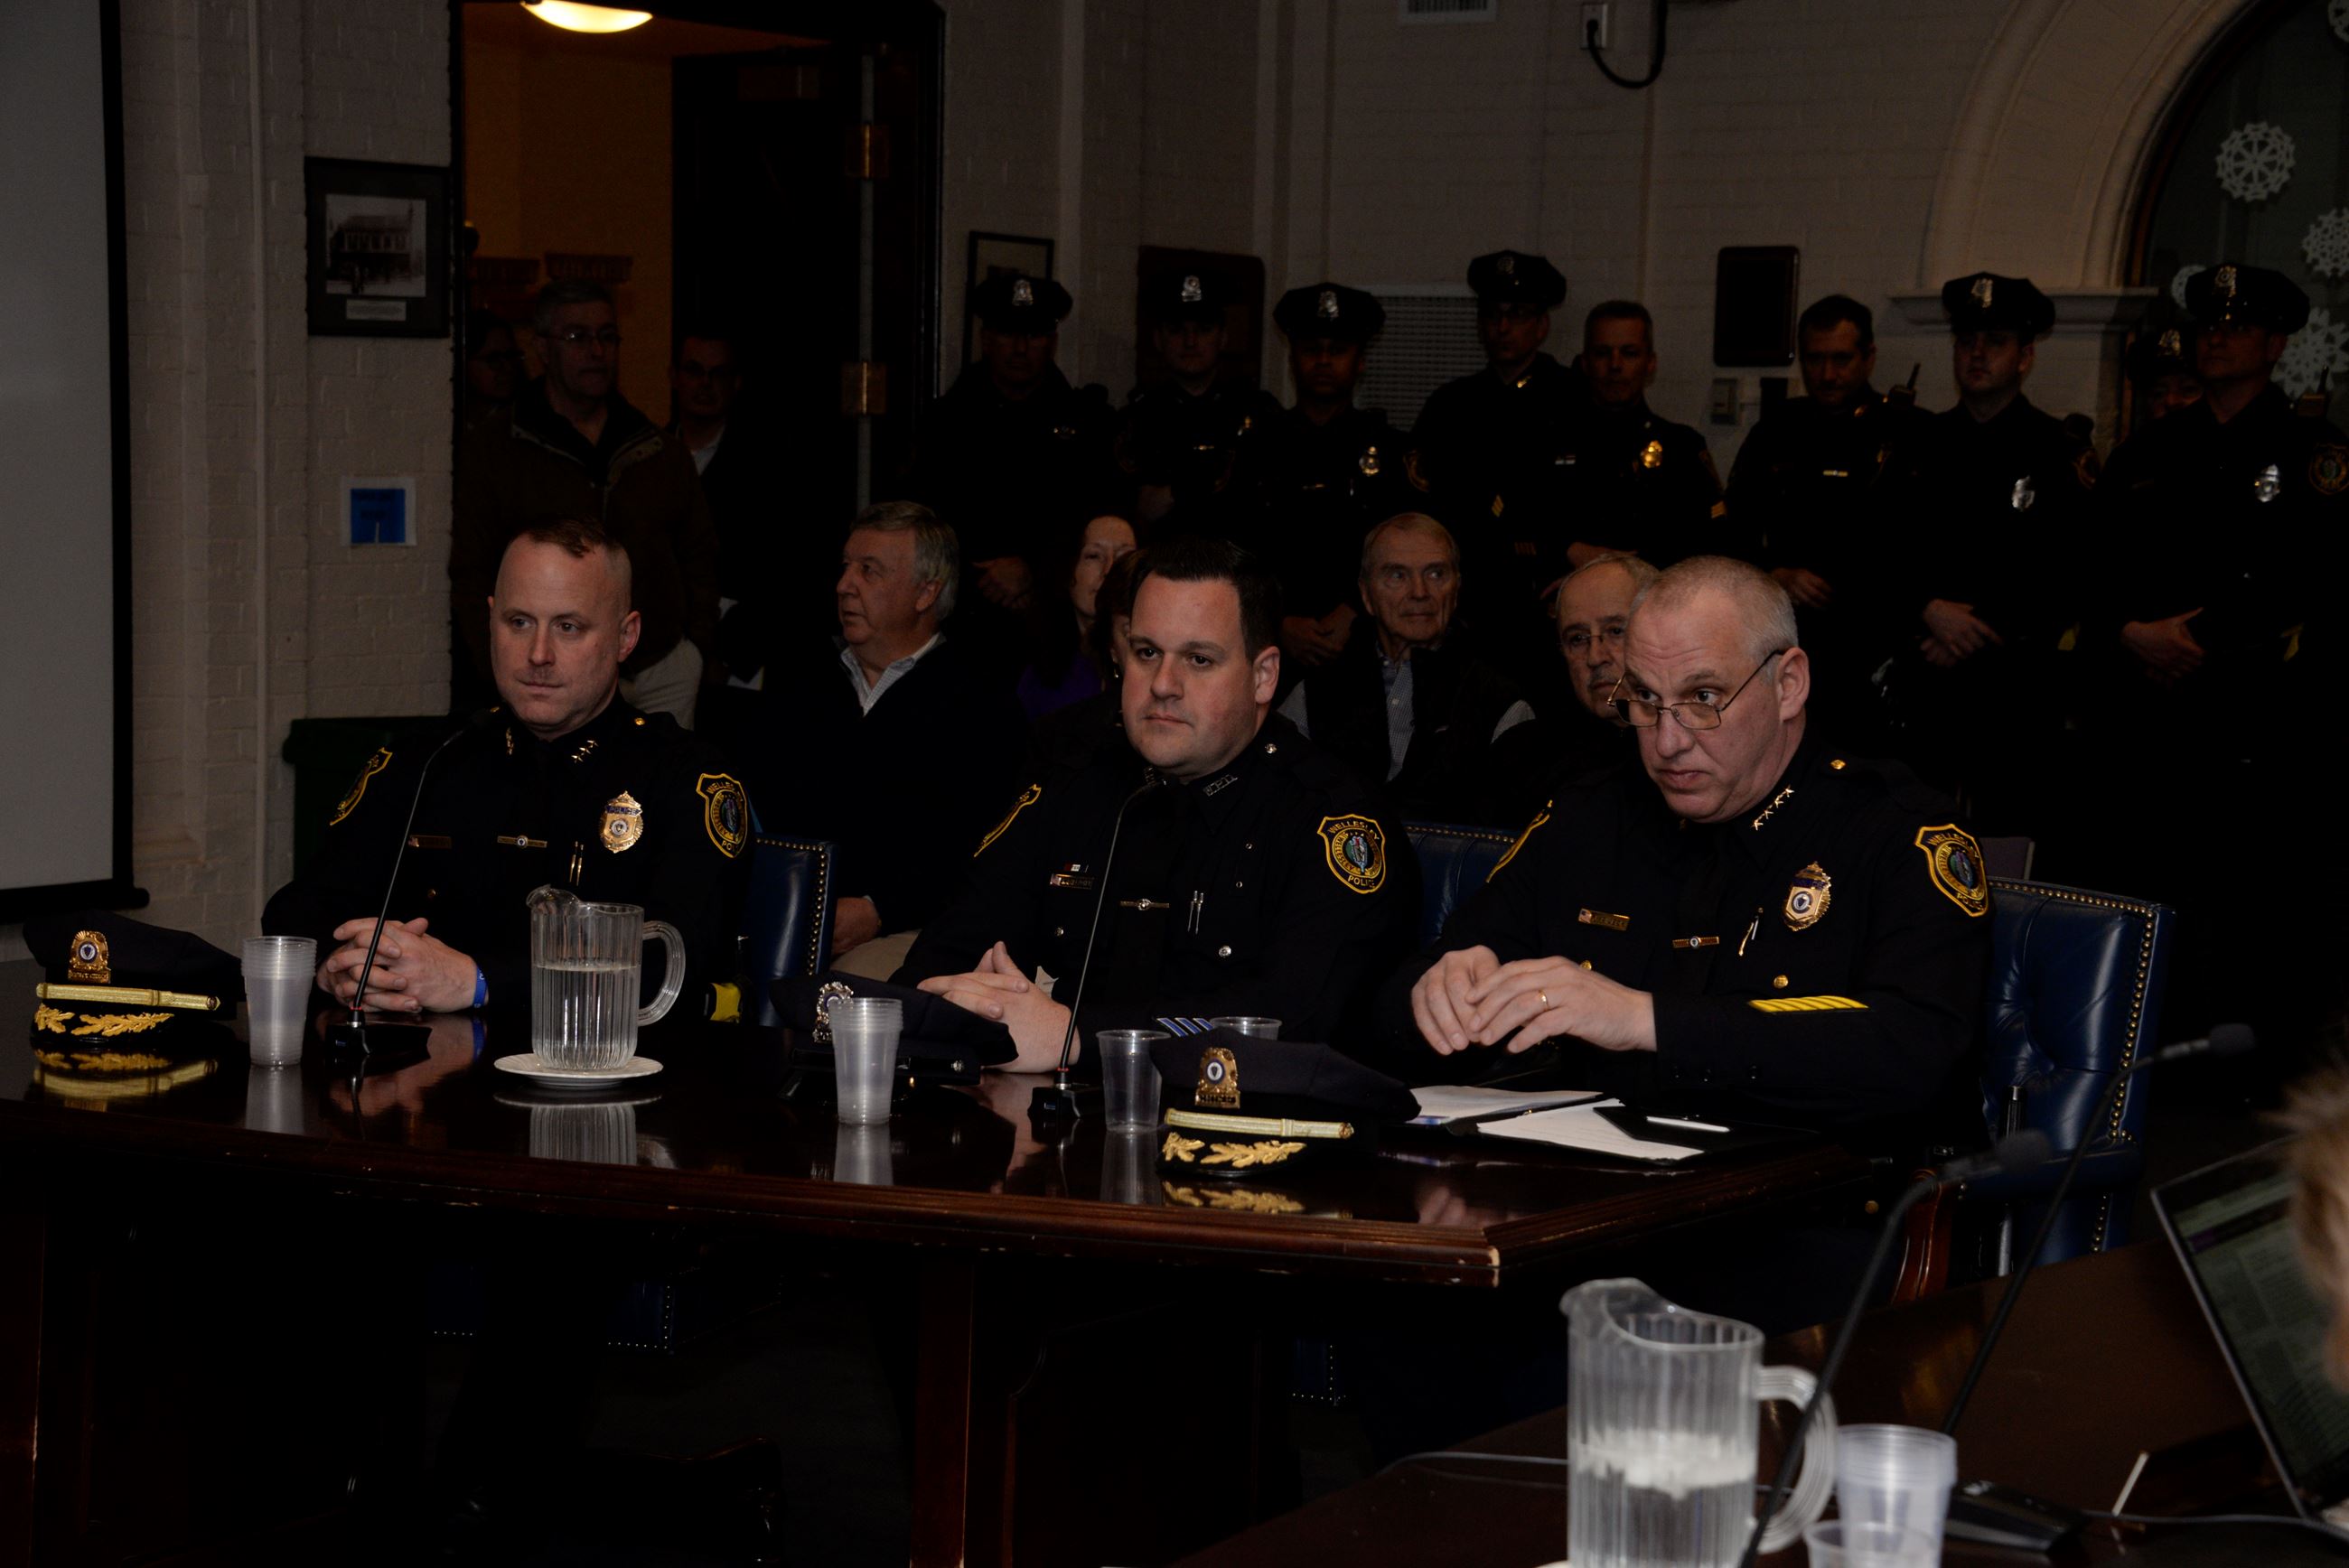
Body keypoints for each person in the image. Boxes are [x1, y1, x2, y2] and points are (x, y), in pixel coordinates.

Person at [1372, 555, 1990, 1139]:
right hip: (1595, 1179)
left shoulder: (1892, 830)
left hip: (1819, 1190)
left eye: (1703, 699)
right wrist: (1438, 997)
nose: (1667, 743)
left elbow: (1916, 1048)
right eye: (1645, 699)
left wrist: (1647, 1022)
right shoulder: (1589, 817)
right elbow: (1404, 1001)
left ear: (1789, 684)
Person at [897, 537, 1419, 1068]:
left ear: (1263, 677)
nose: (1163, 685)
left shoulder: (1330, 818)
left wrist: (1077, 1038)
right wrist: (953, 1010)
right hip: (1053, 1102)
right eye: (1147, 652)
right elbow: (949, 950)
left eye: (1199, 659)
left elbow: (1291, 1019)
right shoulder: (1076, 782)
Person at [267, 518, 750, 1013]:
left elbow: (678, 960)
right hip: (417, 1049)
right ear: (491, 621)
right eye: (519, 623)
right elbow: (299, 907)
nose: (539, 654)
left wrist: (476, 981)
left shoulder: (684, 778)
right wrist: (342, 965)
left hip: (595, 1055)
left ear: (626, 637)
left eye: (568, 627)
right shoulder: (429, 759)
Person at [2082, 262, 2349, 1050]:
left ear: (2276, 344)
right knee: (2151, 891)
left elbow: (2319, 582)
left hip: (2258, 722)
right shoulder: (2149, 452)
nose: (2218, 337)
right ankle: (2150, 1051)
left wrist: (2204, 643)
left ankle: (2255, 1062)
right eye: (2210, 325)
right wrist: (2131, 632)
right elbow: (2091, 573)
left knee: (2255, 909)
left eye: (2239, 326)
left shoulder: (2314, 454)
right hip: (2153, 716)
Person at [743, 502, 1023, 971]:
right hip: (783, 913)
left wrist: (880, 909)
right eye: (846, 567)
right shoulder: (801, 681)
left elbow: (980, 850)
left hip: (913, 926)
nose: (844, 585)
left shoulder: (980, 705)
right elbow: (759, 808)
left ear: (925, 592)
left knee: (849, 986)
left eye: (868, 571)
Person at [452, 279, 720, 728]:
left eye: (607, 336)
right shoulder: (497, 449)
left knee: (661, 774)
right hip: (551, 673)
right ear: (543, 347)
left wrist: (697, 646)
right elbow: (471, 571)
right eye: (577, 336)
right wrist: (498, 664)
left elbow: (700, 556)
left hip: (659, 666)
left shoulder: (659, 449)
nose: (596, 351)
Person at [1886, 273, 2096, 827]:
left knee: (2005, 843)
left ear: (2025, 356)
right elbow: (1880, 551)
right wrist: (1927, 610)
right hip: (1923, 682)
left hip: (2013, 688)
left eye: (1995, 342)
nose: (1977, 354)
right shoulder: (1917, 444)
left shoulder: (2057, 450)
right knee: (1916, 842)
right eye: (1966, 341)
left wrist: (1974, 628)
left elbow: (2071, 570)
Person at [1725, 294, 1933, 746]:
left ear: (1868, 357)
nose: (1827, 374)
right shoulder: (1777, 429)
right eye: (1815, 360)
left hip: (1880, 642)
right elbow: (1732, 526)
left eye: (1841, 359)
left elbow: (1932, 544)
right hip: (1791, 638)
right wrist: (1774, 573)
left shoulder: (1909, 433)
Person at [906, 273, 1122, 669]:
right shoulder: (946, 422)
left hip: (1058, 626)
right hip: (962, 619)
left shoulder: (1086, 424)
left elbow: (1097, 518)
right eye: (1008, 333)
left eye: (1034, 335)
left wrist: (1033, 572)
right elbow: (922, 521)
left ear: (1051, 341)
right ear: (986, 339)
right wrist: (988, 575)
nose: (1021, 348)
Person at [1277, 514, 1542, 824]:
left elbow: (1520, 829)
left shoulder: (1501, 704)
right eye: (1397, 575)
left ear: (1456, 590)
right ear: (1366, 595)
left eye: (1436, 574)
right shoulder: (1314, 696)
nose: (1419, 592)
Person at [1407, 249, 1586, 636]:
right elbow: (1424, 509)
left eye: (1517, 314)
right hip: (1469, 600)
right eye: (1492, 314)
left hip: (1553, 600)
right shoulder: (1450, 406)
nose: (1502, 327)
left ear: (1541, 325)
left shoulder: (1576, 400)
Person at [1251, 282, 1412, 671]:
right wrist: (1277, 621)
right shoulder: (1258, 447)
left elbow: (1407, 550)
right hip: (1270, 646)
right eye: (1311, 350)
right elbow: (1237, 550)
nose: (1323, 361)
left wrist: (1357, 610)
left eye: (1337, 350)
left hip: (1368, 644)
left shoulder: (1390, 451)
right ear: (1293, 359)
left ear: (1360, 361)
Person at [1550, 301, 1727, 570]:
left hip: (1658, 589)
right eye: (1602, 353)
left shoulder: (1681, 447)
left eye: (1629, 353)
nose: (1615, 365)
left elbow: (1715, 541)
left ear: (1650, 363)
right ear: (1585, 362)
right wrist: (1568, 549)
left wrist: (1637, 569)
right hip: (1566, 588)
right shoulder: (1549, 441)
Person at [1118, 269, 1283, 537]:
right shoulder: (1137, 419)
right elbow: (1137, 509)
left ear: (1223, 338)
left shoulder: (1259, 414)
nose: (1190, 342)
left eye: (1203, 330)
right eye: (1177, 331)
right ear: (1158, 339)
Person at [1015, 511, 1142, 723]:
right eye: (1093, 556)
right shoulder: (1036, 672)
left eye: (1124, 556)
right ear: (1067, 568)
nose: (1109, 569)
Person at [1547, 552, 1655, 771]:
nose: (1595, 657)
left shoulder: (1696, 752)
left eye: (1616, 631)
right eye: (1578, 638)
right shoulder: (1529, 755)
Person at [462, 309, 522, 431]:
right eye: (493, 359)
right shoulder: (442, 421)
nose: (508, 368)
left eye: (510, 356)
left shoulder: (525, 422)